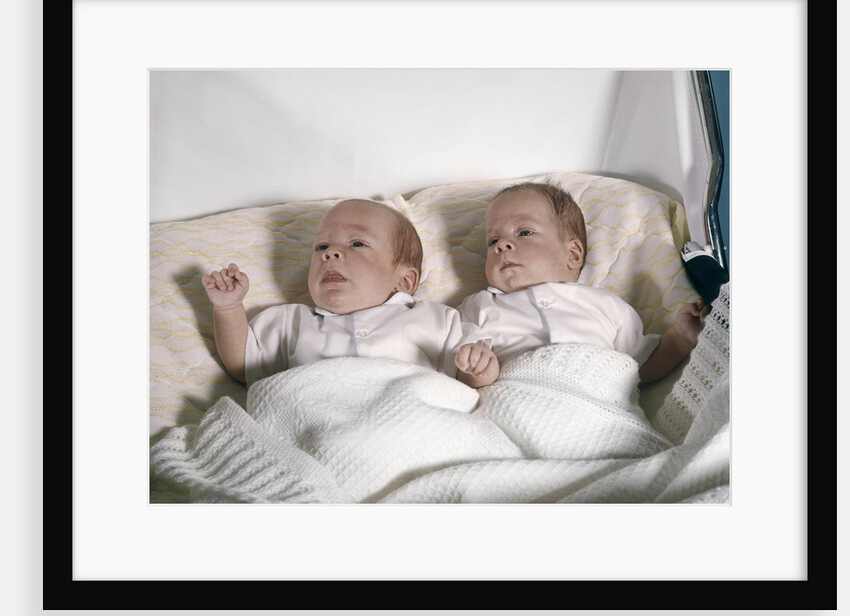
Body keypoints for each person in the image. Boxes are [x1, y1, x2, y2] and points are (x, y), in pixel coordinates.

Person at [202, 198, 497, 387]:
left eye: (357, 244)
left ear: (404, 281)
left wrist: (478, 368)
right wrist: (228, 309)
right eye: (322, 246)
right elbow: (243, 366)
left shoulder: (434, 319)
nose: (330, 253)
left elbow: (467, 377)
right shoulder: (291, 322)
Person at [457, 181, 708, 388]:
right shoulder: (479, 307)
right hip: (516, 402)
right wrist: (479, 372)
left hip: (598, 406)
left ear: (573, 254)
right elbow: (459, 373)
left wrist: (681, 337)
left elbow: (641, 366)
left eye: (524, 233)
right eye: (493, 241)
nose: (502, 245)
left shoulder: (605, 305)